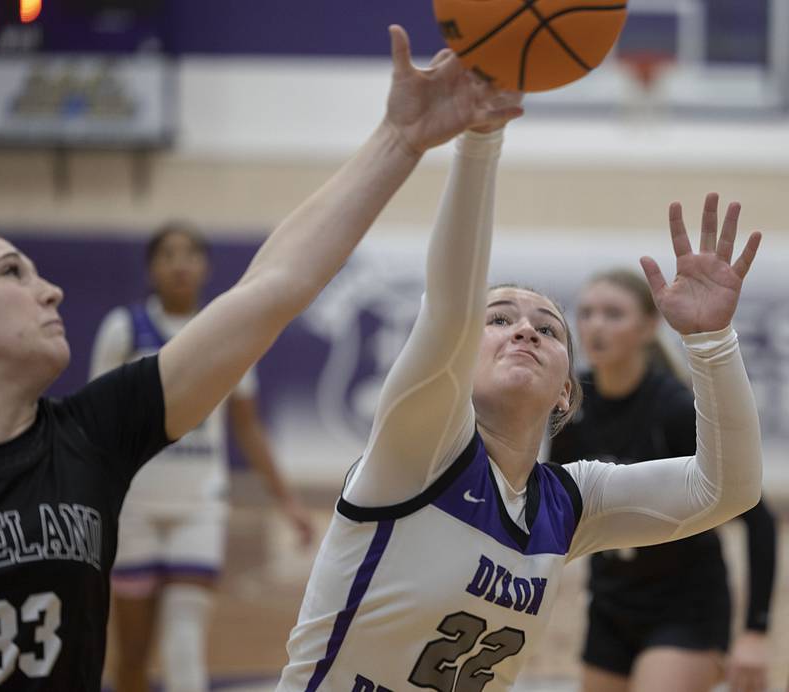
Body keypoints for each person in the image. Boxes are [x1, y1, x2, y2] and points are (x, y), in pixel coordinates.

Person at [0, 24, 521, 691]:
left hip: (193, 499)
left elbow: (275, 289)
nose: (50, 288)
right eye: (12, 273)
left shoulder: (89, 435)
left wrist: (401, 138)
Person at [276, 52, 764, 692]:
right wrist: (481, 139)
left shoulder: (568, 503)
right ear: (457, 354)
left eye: (548, 327)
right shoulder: (417, 453)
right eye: (500, 318)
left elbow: (725, 491)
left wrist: (711, 342)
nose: (526, 329)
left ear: (567, 388)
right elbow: (450, 309)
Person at [89, 222, 316, 692]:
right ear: (152, 267)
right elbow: (94, 418)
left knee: (185, 642)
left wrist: (287, 502)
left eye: (189, 254)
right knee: (131, 656)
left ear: (205, 266)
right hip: (133, 506)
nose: (179, 264)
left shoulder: (228, 331)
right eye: (168, 255)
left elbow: (248, 425)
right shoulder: (124, 329)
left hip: (199, 505)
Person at [549, 268, 777, 692]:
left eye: (613, 314)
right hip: (611, 605)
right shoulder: (570, 408)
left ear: (649, 326)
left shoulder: (674, 408)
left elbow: (757, 518)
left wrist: (755, 633)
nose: (596, 325)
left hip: (685, 606)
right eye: (587, 313)